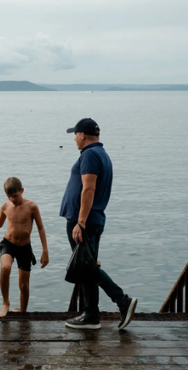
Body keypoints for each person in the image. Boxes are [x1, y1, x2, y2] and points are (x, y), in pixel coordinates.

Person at [61, 118, 137, 330]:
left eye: (75, 135)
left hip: (84, 221)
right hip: (92, 219)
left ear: (82, 135)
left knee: (86, 267)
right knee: (87, 267)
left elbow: (89, 188)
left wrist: (80, 222)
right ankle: (91, 315)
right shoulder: (101, 154)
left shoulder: (90, 155)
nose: (74, 139)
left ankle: (122, 300)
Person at [0, 177, 49, 317]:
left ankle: (23, 310)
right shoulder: (5, 206)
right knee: (5, 267)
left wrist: (45, 251)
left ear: (22, 190)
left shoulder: (31, 206)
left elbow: (41, 228)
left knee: (24, 285)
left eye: (15, 195)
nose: (13, 199)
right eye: (9, 196)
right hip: (8, 244)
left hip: (24, 247)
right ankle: (5, 303)